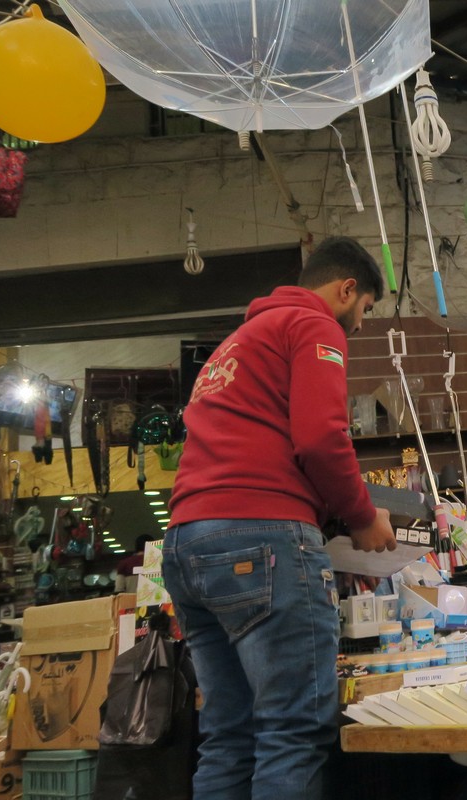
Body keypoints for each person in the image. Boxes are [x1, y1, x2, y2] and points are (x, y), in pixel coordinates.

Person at [163, 236, 396, 800]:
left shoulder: (236, 343)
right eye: (365, 308)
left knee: (227, 735)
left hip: (187, 544)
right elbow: (320, 437)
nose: (360, 325)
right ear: (346, 289)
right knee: (291, 731)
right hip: (261, 537)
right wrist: (361, 516)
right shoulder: (314, 326)